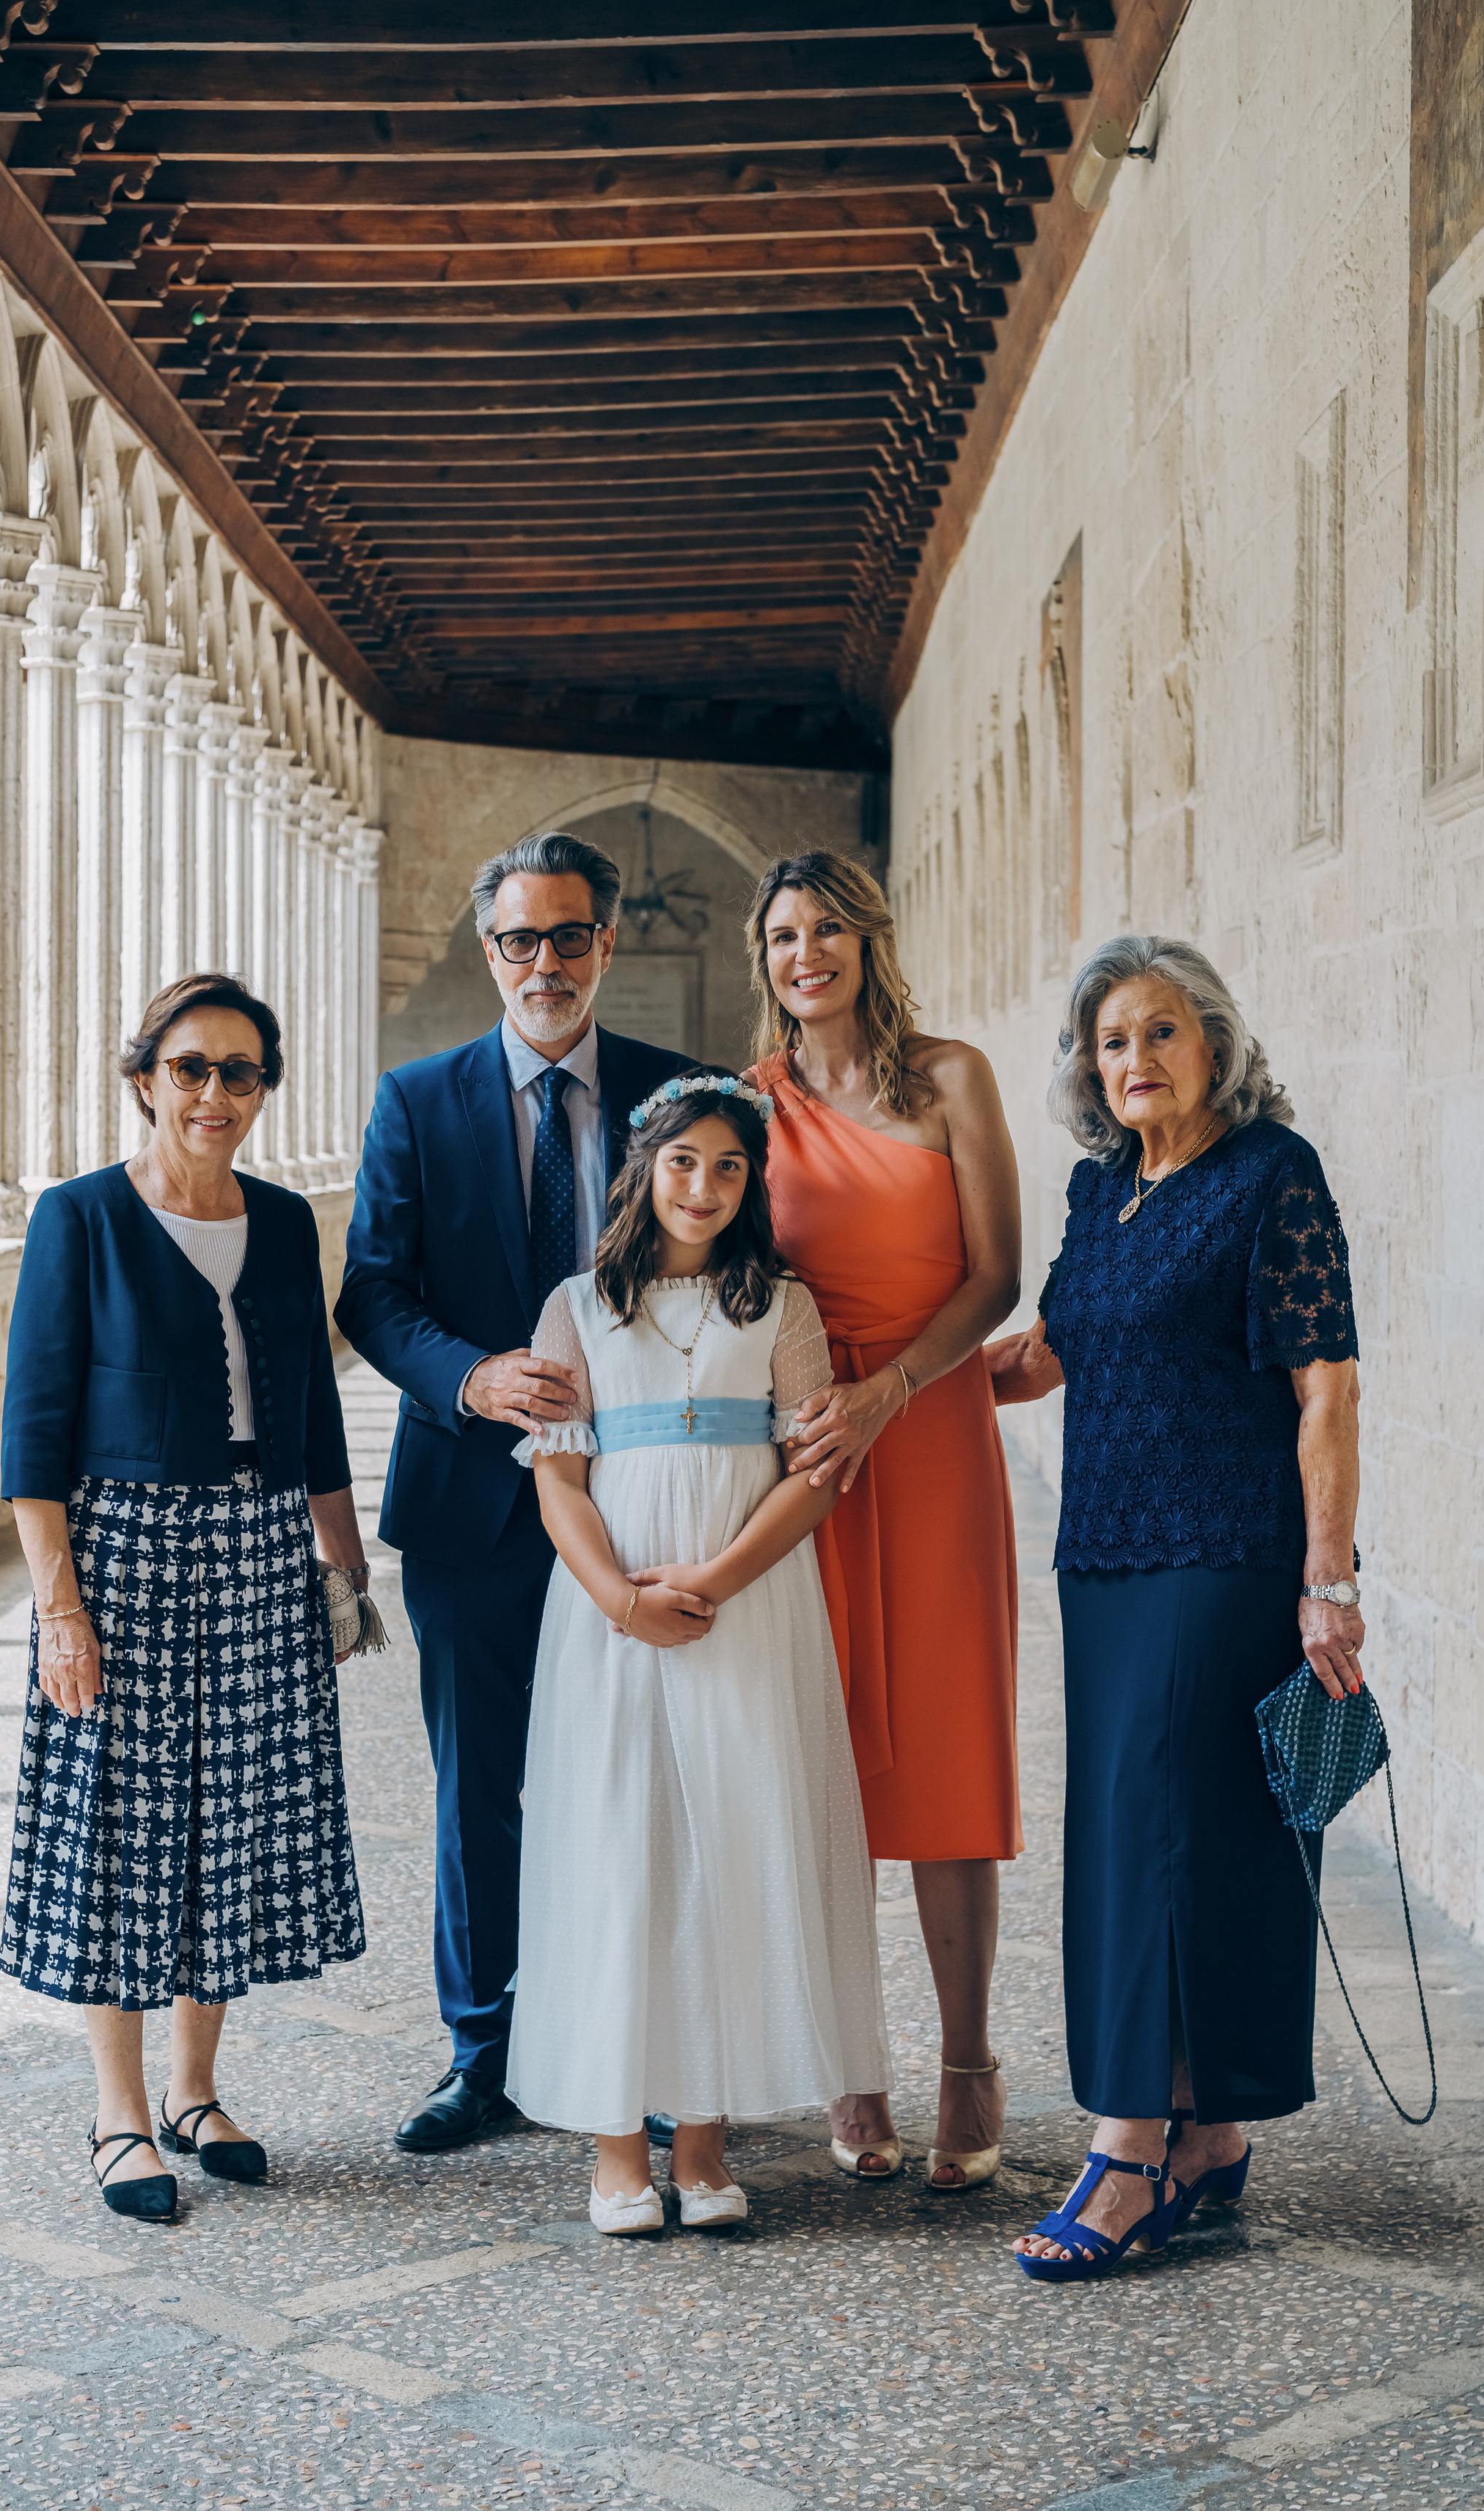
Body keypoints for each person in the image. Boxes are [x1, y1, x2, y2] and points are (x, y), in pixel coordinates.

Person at [987, 936, 1363, 2281]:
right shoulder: (1102, 1196)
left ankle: (1128, 2148)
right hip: (1107, 1555)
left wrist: (1330, 1581)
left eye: (1160, 1033)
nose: (1134, 1061)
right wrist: (889, 1390)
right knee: (1160, 1835)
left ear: (1213, 1042)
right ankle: (1209, 2133)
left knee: (1159, 1829)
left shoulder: (1273, 1176)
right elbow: (1046, 1353)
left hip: (1229, 1550)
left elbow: (1326, 1387)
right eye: (1111, 1042)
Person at [335, 833, 695, 2154]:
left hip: (644, 1498)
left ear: (609, 942)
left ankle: (645, 2047)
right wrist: (471, 1377)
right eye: (518, 941)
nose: (544, 963)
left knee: (638, 1780)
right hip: (472, 1505)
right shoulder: (415, 1101)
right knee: (478, 1787)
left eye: (569, 936)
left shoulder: (677, 1098)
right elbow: (372, 1288)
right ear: (489, 950)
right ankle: (483, 2053)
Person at [0, 972, 368, 2224]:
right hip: (124, 1555)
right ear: (146, 1076)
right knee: (118, 1826)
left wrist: (344, 1568)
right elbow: (33, 1436)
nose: (215, 1094)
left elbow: (312, 1416)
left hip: (262, 1549)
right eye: (192, 1068)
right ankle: (118, 2111)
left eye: (241, 1073)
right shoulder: (80, 1218)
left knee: (231, 1819)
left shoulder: (283, 1219)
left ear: (264, 1090)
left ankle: (197, 2092)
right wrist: (60, 1608)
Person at [509, 1078, 890, 2234]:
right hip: (611, 1619)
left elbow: (812, 1474)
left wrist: (715, 1583)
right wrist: (623, 1600)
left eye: (730, 1168)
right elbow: (559, 1480)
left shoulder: (780, 1307)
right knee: (623, 1853)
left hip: (748, 1609)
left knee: (728, 1847)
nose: (706, 1188)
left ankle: (706, 2139)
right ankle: (617, 2146)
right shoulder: (578, 1306)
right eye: (685, 1163)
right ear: (644, 1169)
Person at [744, 849, 1023, 2192]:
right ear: (767, 961)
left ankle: (969, 2063)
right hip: (808, 1450)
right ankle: (856, 2070)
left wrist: (892, 1392)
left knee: (951, 1749)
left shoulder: (951, 1077)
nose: (808, 955)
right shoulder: (751, 1107)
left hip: (931, 1433)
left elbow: (995, 1274)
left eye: (828, 930)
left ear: (870, 938)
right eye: (785, 936)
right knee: (828, 1760)